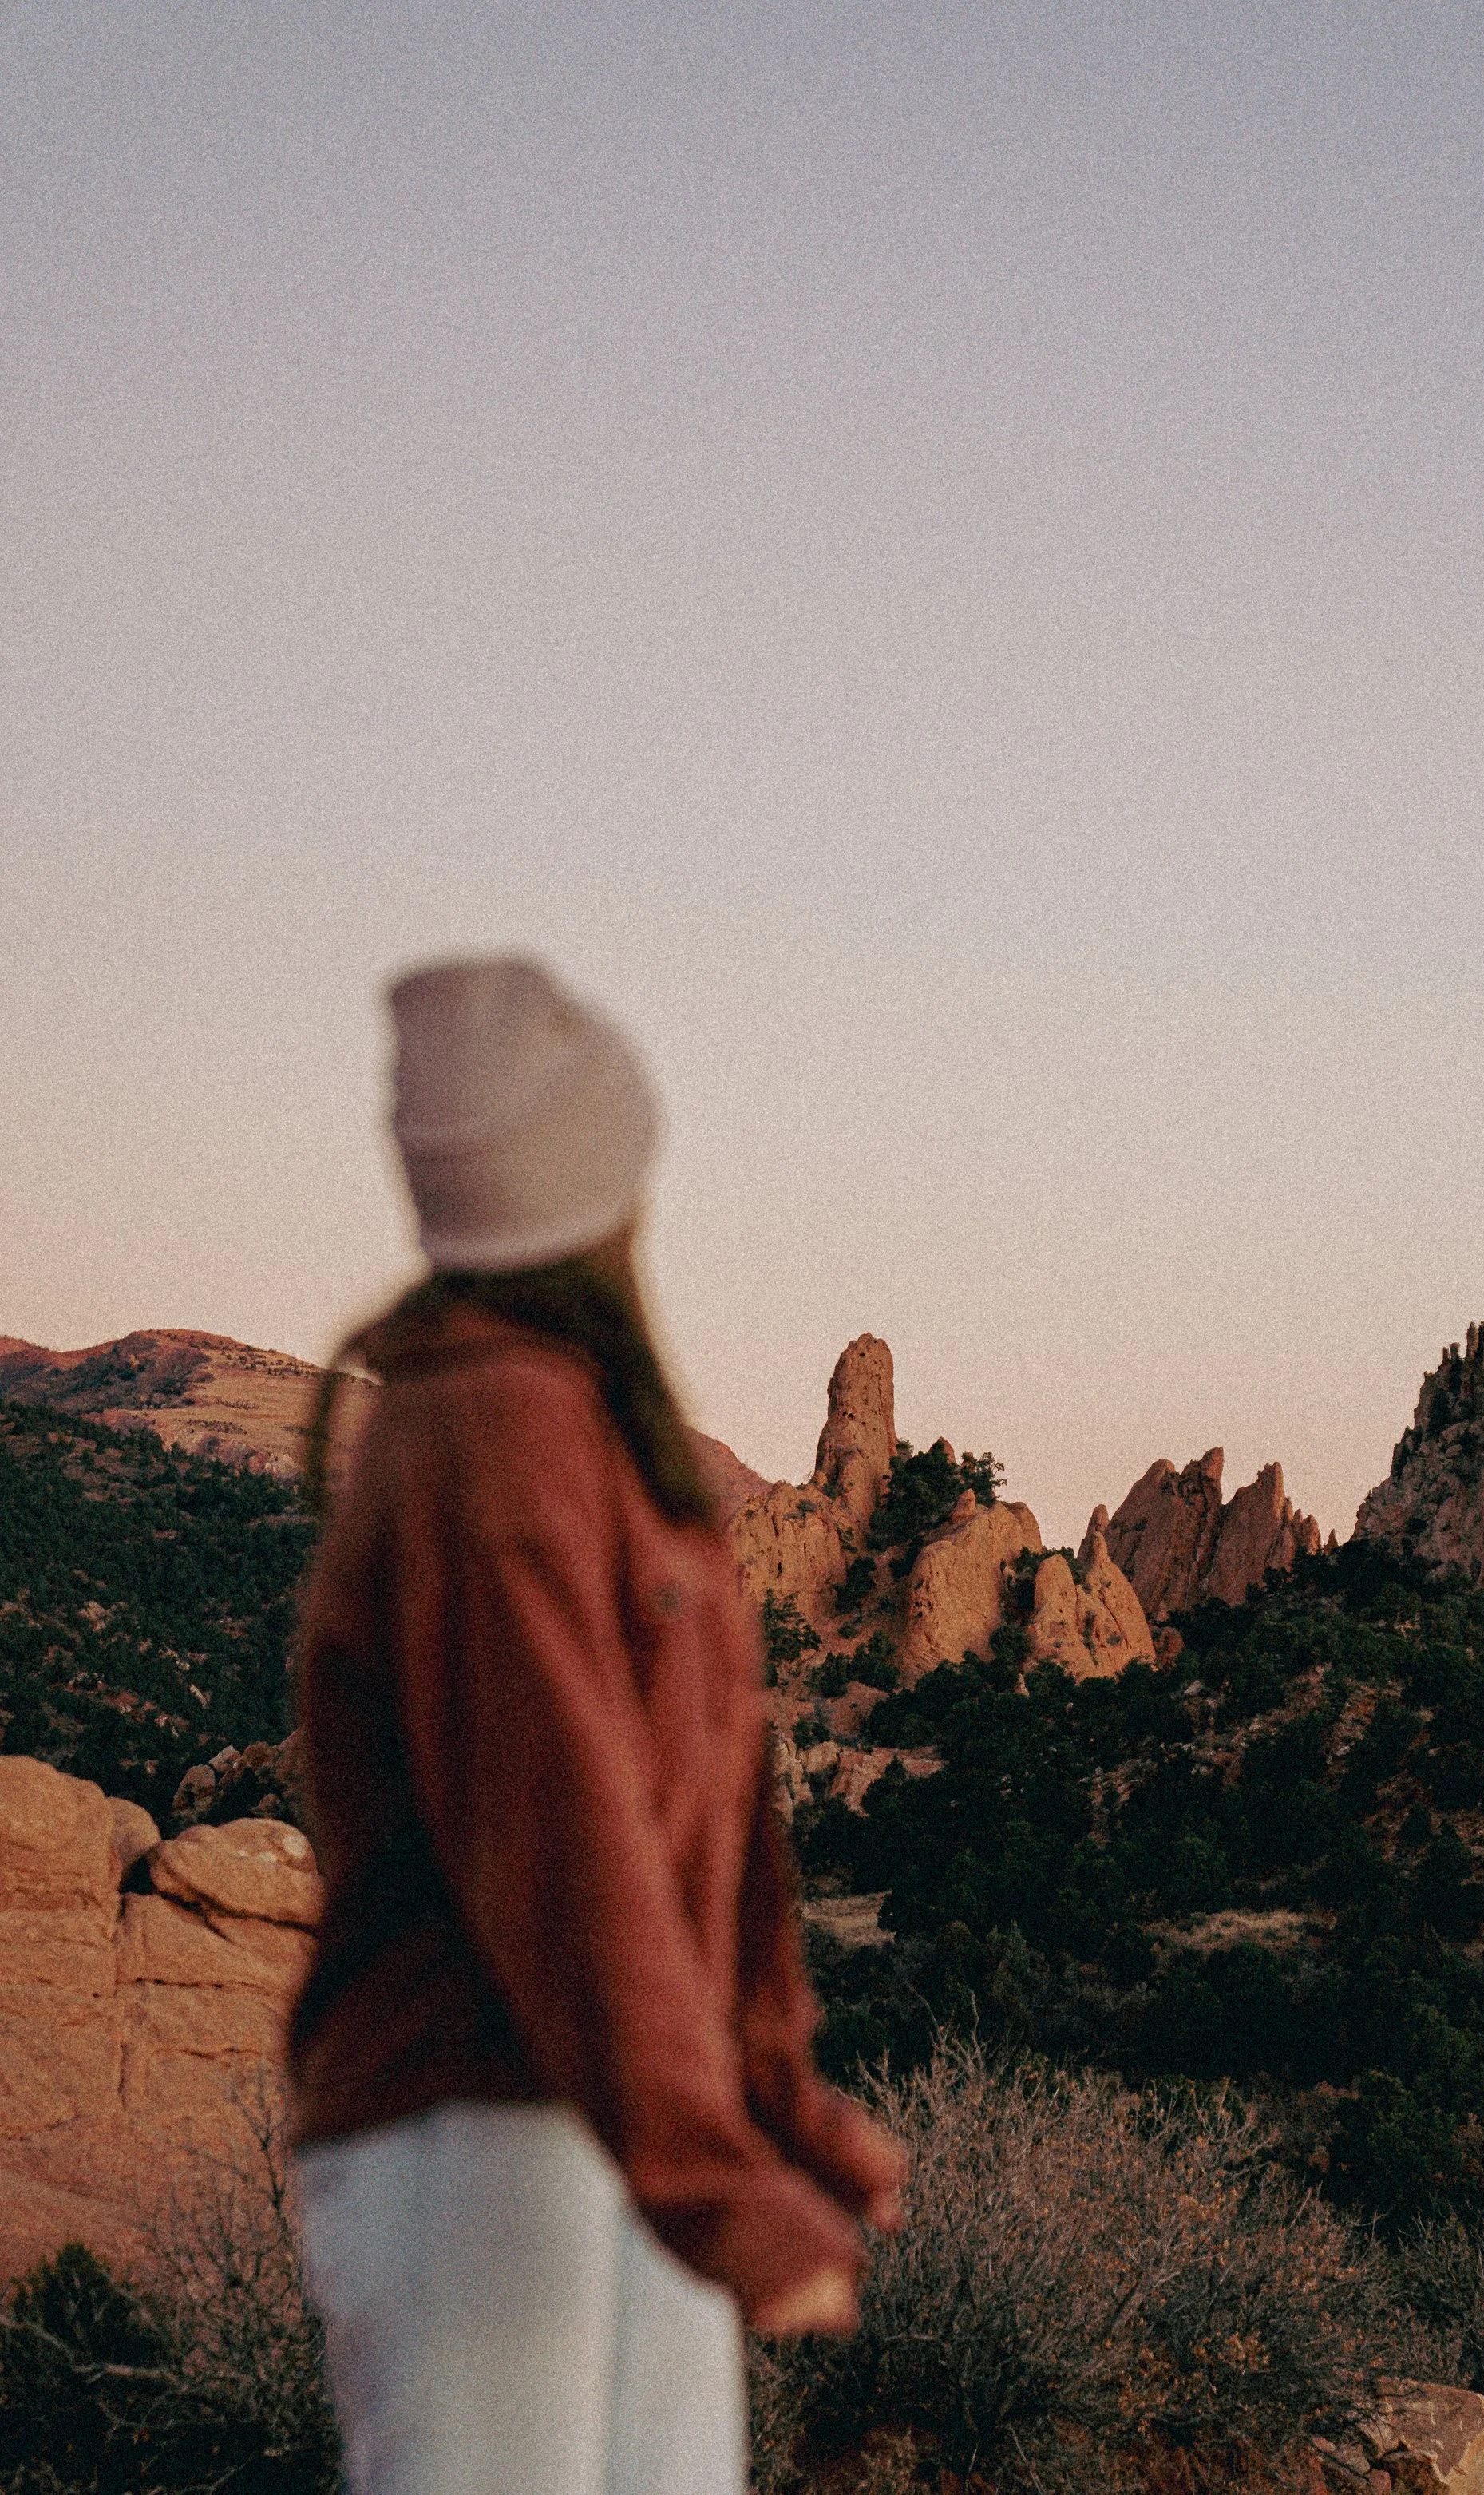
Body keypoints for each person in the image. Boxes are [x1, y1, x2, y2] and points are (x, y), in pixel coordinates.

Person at [286, 956, 904, 2495]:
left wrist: (777, 2109)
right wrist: (724, 2185)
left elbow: (708, 1832)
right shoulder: (494, 1436)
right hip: (478, 2133)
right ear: (593, 1178)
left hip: (605, 2118)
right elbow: (565, 1836)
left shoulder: (568, 1431)